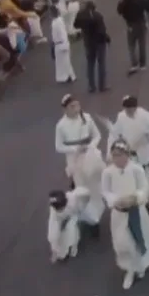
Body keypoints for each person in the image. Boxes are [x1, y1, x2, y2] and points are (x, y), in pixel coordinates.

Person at [101, 140, 149, 289]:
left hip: (136, 211)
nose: (117, 159)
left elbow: (144, 187)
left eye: (120, 155)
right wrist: (116, 200)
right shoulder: (108, 173)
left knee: (141, 237)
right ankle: (129, 268)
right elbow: (105, 191)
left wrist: (135, 197)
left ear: (127, 155)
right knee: (122, 243)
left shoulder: (136, 169)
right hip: (119, 214)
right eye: (114, 155)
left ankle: (141, 265)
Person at [53, 95, 106, 233]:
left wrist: (91, 146)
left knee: (94, 187)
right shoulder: (61, 125)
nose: (76, 108)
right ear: (65, 109)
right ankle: (88, 218)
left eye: (77, 105)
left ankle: (96, 216)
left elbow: (97, 135)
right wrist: (74, 149)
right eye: (72, 106)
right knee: (82, 190)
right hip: (75, 160)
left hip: (89, 157)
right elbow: (58, 146)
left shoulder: (87, 118)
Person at [109, 95, 149, 203]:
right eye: (127, 109)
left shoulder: (144, 115)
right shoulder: (121, 117)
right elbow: (114, 134)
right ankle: (140, 198)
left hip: (144, 151)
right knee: (135, 177)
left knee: (148, 177)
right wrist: (111, 152)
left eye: (131, 109)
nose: (129, 111)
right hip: (131, 153)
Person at [73, 0, 110, 94]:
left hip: (88, 42)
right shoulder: (98, 16)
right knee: (101, 63)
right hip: (99, 42)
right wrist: (106, 38)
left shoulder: (81, 16)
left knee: (90, 64)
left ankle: (91, 86)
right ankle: (102, 86)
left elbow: (75, 25)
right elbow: (102, 30)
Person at [47, 187, 90, 262]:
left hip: (77, 213)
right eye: (57, 208)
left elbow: (85, 192)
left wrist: (86, 202)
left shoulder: (74, 197)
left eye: (60, 207)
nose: (59, 209)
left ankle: (72, 244)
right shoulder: (54, 211)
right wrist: (55, 249)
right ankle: (61, 253)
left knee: (73, 229)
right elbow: (52, 229)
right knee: (56, 234)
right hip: (64, 217)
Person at [117, 0, 149, 75]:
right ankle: (143, 64)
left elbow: (119, 11)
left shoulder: (124, 2)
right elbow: (146, 5)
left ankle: (134, 64)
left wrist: (121, 2)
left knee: (131, 45)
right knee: (142, 44)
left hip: (131, 25)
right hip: (141, 23)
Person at [50, 5, 77, 84]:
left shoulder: (58, 22)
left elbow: (63, 33)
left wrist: (65, 43)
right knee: (61, 62)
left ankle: (69, 76)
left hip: (61, 43)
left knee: (65, 61)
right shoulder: (55, 21)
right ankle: (65, 76)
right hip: (57, 44)